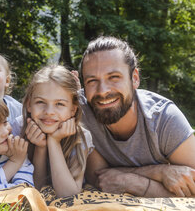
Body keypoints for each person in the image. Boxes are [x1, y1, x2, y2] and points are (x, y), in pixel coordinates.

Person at [80, 36, 195, 197]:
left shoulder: (164, 119)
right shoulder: (80, 112)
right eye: (92, 81)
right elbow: (100, 178)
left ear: (134, 78)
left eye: (114, 77)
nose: (102, 91)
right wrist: (159, 172)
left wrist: (134, 183)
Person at [21, 65, 94, 197]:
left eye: (59, 104)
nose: (49, 112)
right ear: (29, 105)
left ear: (73, 110)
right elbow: (36, 189)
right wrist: (40, 148)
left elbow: (68, 194)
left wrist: (54, 141)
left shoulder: (81, 137)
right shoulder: (17, 128)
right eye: (40, 102)